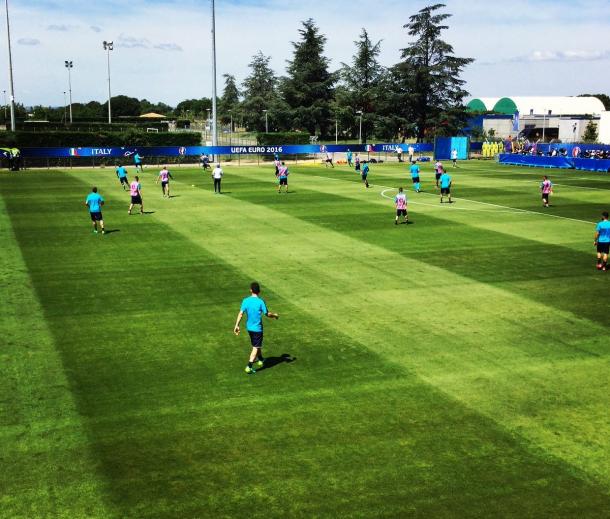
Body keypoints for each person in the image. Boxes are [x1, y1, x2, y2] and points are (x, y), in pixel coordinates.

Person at [233, 282, 279, 374]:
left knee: (257, 345)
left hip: (249, 328)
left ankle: (261, 359)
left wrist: (236, 325)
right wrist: (274, 315)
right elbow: (267, 314)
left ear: (251, 290)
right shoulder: (260, 301)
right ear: (259, 291)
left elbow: (241, 313)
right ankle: (249, 366)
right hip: (257, 329)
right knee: (256, 347)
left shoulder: (245, 300)